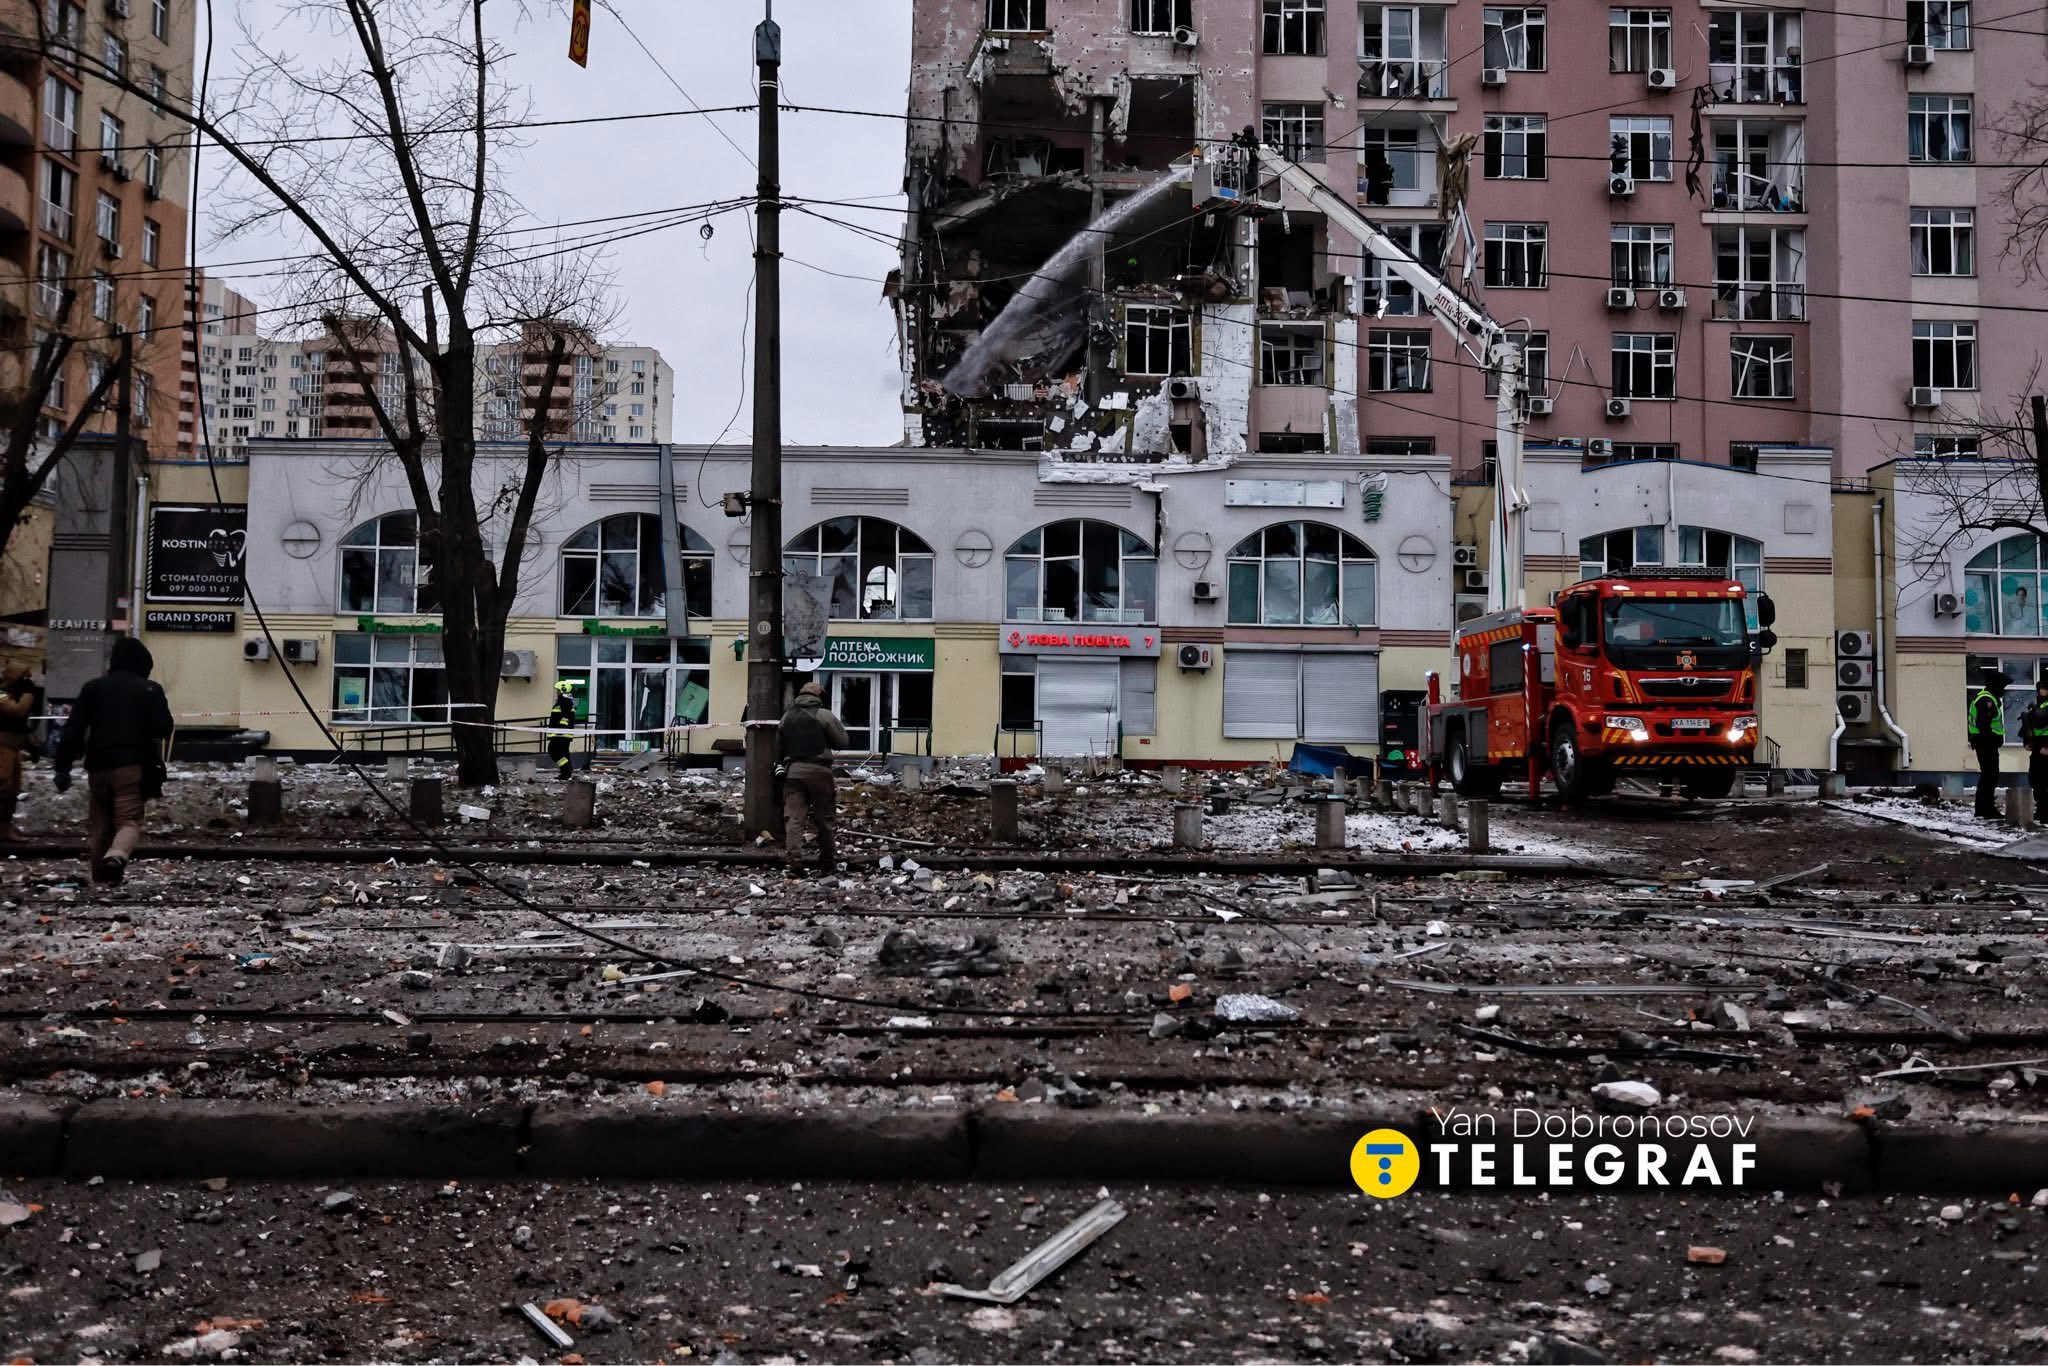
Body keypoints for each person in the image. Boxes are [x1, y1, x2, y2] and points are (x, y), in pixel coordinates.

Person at [51, 637, 173, 884]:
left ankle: (101, 879)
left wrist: (62, 768)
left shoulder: (92, 688)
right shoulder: (149, 689)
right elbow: (163, 728)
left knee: (100, 824)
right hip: (132, 765)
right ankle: (117, 857)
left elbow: (73, 730)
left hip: (97, 766)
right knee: (129, 820)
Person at [779, 679, 848, 874]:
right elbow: (842, 742)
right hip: (819, 772)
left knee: (793, 819)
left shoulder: (787, 717)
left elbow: (779, 745)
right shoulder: (824, 715)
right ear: (819, 697)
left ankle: (795, 862)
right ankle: (826, 862)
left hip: (793, 773)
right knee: (824, 818)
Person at [0, 662, 36, 840]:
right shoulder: (1, 694)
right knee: (3, 788)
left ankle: (5, 829)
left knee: (12, 790)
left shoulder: (15, 694)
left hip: (13, 749)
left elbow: (21, 725)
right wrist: (28, 694)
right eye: (24, 677)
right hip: (2, 748)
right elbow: (17, 710)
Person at [1968, 667, 2009, 820]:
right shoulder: (1986, 700)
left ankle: (1985, 808)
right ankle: (1985, 809)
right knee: (1989, 776)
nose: (2003, 691)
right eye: (2002, 687)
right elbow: (1984, 725)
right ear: (1995, 686)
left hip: (1985, 744)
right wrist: (1994, 739)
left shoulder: (1986, 698)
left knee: (1989, 776)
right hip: (1986, 745)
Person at [547, 679, 580, 780]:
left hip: (561, 734)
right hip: (562, 734)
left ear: (562, 690)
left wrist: (560, 729)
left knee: (553, 750)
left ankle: (566, 769)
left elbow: (565, 718)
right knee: (563, 752)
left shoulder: (564, 701)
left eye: (557, 690)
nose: (556, 692)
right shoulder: (565, 701)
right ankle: (566, 772)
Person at [2024, 675, 2048, 809]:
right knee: (2036, 777)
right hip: (2038, 745)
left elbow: (2041, 719)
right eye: (2039, 689)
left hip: (2045, 746)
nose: (2041, 691)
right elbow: (2032, 727)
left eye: (2044, 689)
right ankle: (2041, 808)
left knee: (2043, 778)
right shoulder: (2040, 705)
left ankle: (2044, 809)